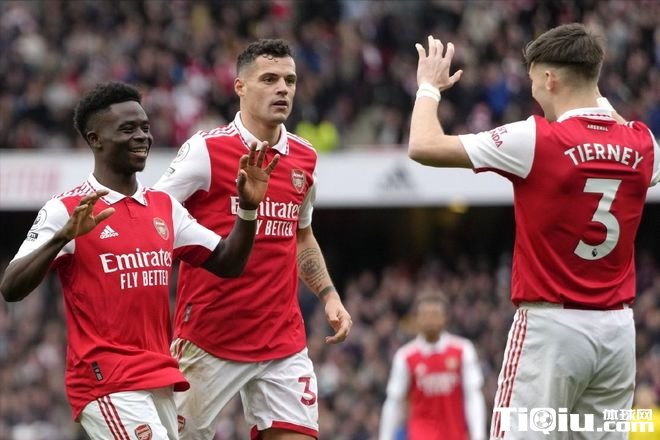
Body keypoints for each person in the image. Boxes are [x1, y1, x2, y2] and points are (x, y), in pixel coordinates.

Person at [407, 24, 660, 440]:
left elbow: (423, 145)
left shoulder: (536, 137)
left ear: (549, 78)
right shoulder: (642, 143)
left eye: (532, 80)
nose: (533, 91)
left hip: (551, 329)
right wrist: (597, 93)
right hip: (617, 333)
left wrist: (428, 88)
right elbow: (617, 131)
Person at [0, 82, 279, 440]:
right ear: (95, 139)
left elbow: (228, 262)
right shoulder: (67, 210)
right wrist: (61, 238)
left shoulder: (165, 208)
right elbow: (10, 287)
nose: (142, 136)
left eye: (145, 127)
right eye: (127, 129)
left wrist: (248, 209)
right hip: (107, 380)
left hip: (159, 377)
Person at [153, 38, 352, 440]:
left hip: (282, 342)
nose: (283, 89)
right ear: (240, 87)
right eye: (269, 79)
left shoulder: (304, 157)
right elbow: (153, 214)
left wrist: (329, 295)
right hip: (209, 340)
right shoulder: (207, 151)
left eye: (290, 80)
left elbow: (302, 234)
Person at [379, 293, 486, 440]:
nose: (430, 320)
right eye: (425, 315)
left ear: (445, 317)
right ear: (416, 318)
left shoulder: (463, 350)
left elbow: (473, 396)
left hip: (454, 435)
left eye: (435, 314)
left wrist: (478, 435)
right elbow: (394, 401)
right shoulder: (406, 356)